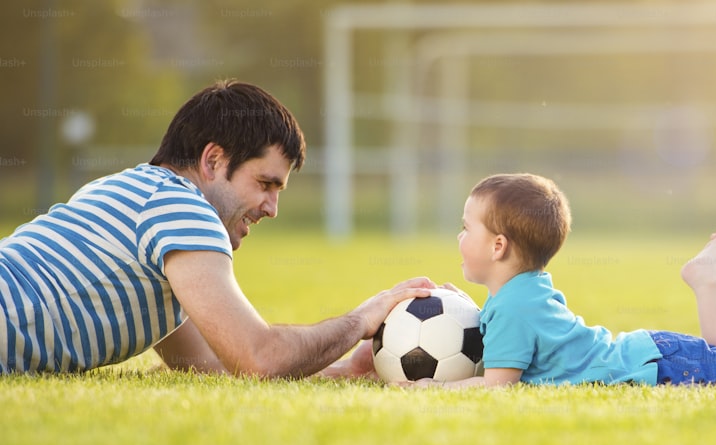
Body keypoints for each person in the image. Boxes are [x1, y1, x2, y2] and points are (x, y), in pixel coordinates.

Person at [0, 80, 433, 377]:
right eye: (265, 184)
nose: (272, 208)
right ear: (213, 161)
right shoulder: (181, 208)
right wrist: (360, 320)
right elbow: (259, 358)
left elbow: (210, 363)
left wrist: (346, 370)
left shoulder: (142, 196)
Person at [411, 172, 716, 388]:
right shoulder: (521, 292)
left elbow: (496, 388)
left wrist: (430, 388)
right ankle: (705, 282)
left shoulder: (513, 306)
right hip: (657, 355)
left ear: (498, 247)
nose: (459, 234)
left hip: (664, 367)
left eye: (467, 227)